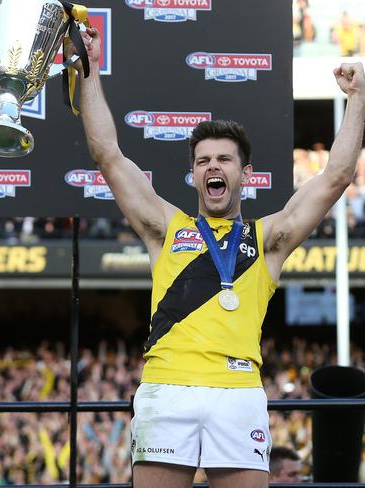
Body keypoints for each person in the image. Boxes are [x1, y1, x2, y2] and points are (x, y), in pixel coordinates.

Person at [73, 27, 365, 488]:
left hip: (239, 393)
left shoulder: (270, 237)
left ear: (244, 174)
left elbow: (337, 176)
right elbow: (107, 154)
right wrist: (87, 69)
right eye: (203, 160)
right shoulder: (166, 228)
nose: (213, 167)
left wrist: (359, 96)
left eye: (224, 160)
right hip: (167, 387)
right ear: (192, 174)